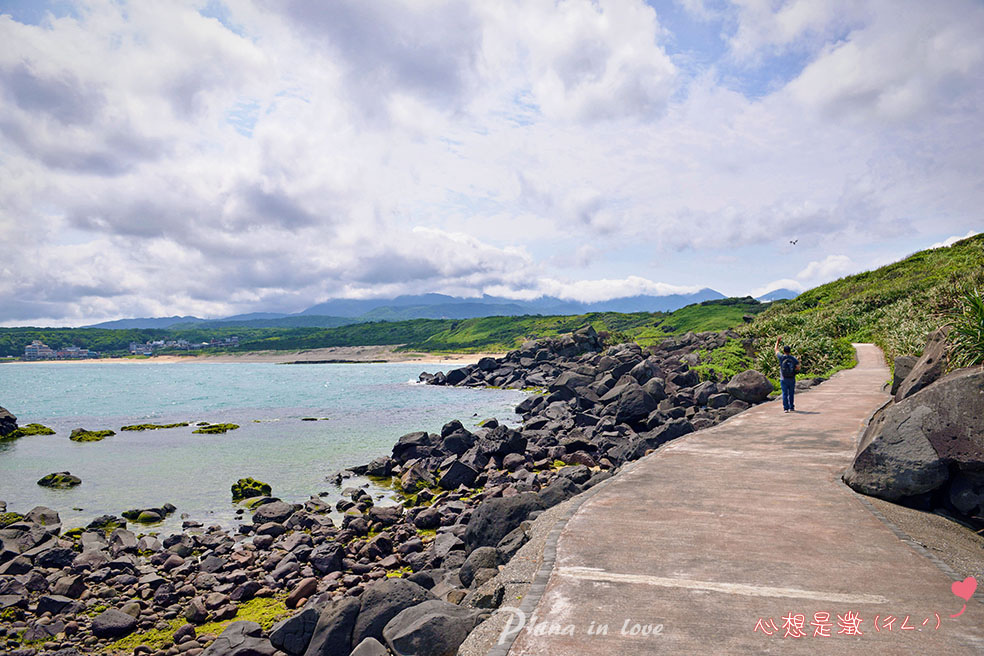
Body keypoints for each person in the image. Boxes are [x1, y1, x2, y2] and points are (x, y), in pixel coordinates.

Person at [774, 337, 800, 413]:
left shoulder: (781, 357)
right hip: (791, 378)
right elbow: (798, 367)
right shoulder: (793, 358)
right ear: (790, 351)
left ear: (784, 351)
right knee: (791, 393)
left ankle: (786, 408)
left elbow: (775, 349)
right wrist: (795, 371)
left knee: (784, 393)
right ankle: (791, 407)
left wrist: (777, 341)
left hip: (783, 378)